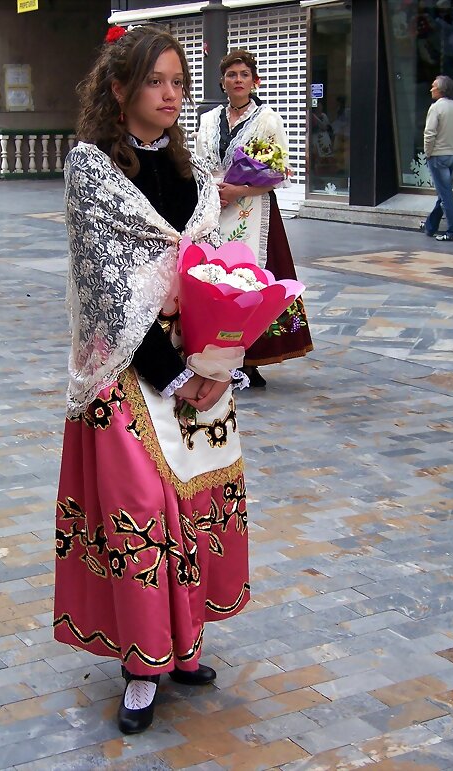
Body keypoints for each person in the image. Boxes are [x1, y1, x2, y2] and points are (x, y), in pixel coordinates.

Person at [53, 25, 250, 736]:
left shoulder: (193, 161)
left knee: (191, 513)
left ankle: (185, 644)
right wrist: (174, 376)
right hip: (129, 375)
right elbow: (109, 290)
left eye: (178, 83)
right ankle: (142, 662)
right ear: (119, 90)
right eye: (156, 82)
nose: (171, 95)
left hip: (199, 368)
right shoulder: (92, 170)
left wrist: (216, 362)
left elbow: (215, 260)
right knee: (144, 513)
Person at [196, 50, 312, 388]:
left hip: (253, 210)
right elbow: (201, 164)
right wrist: (212, 190)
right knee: (216, 280)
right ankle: (216, 355)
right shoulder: (208, 120)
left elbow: (277, 172)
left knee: (253, 280)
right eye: (231, 74)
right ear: (222, 81)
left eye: (244, 74)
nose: (237, 80)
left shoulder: (267, 119)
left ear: (254, 80)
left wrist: (241, 189)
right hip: (214, 210)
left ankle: (251, 359)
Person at [421, 75, 453, 242]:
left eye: (433, 86)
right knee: (443, 193)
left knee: (445, 195)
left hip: (438, 156)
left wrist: (428, 153)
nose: (431, 89)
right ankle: (430, 226)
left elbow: (429, 133)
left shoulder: (436, 108)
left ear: (441, 89)